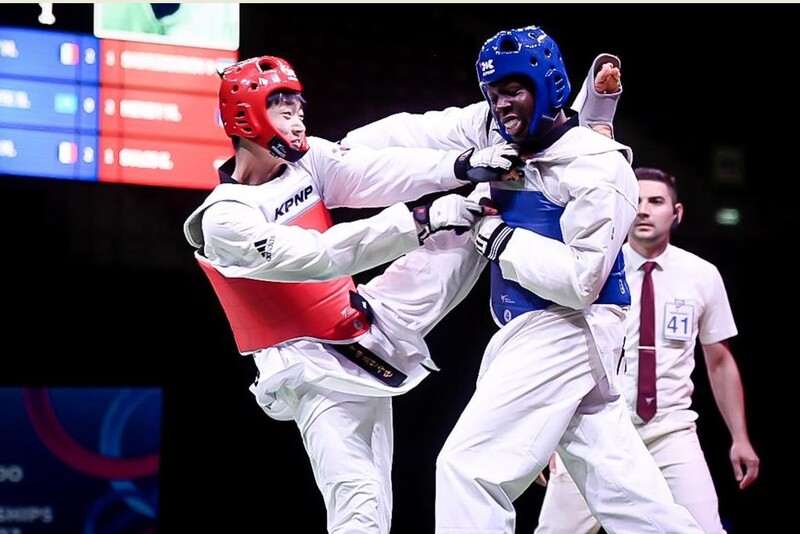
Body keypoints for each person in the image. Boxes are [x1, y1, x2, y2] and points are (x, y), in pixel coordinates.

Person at [341, 25, 705, 533]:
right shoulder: (493, 130)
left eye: (513, 90)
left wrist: (495, 234)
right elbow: (412, 131)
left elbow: (581, 281)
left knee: (470, 470)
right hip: (531, 332)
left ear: (549, 85)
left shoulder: (598, 167)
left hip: (567, 328)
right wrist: (328, 153)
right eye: (492, 94)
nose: (502, 105)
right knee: (626, 495)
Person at [182, 55, 518, 533]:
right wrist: (420, 220)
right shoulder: (225, 217)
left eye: (299, 107)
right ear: (247, 117)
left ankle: (537, 158)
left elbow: (377, 175)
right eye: (282, 108)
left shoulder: (308, 162)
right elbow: (321, 255)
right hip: (310, 369)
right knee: (361, 500)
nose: (298, 118)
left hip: (363, 328)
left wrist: (459, 166)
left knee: (471, 224)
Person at [534, 167, 760, 534]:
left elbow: (719, 362)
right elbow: (558, 352)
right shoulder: (593, 268)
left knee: (704, 529)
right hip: (598, 427)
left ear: (677, 213)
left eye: (655, 201)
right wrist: (546, 433)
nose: (643, 210)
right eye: (636, 200)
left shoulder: (701, 274)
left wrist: (740, 437)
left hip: (670, 430)